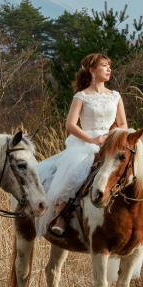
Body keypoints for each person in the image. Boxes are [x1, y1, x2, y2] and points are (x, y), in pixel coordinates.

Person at [37, 53, 127, 237]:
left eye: (109, 65)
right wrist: (92, 140)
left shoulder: (115, 96)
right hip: (87, 142)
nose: (109, 69)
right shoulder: (81, 96)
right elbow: (70, 125)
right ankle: (61, 216)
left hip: (111, 141)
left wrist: (112, 137)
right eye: (104, 65)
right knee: (76, 169)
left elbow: (123, 123)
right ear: (92, 70)